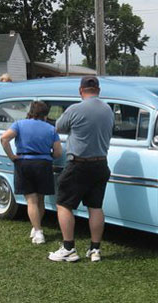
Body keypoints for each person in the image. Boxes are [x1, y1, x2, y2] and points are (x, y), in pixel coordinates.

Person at [48, 76, 114, 262]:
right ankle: (95, 250)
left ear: (80, 90)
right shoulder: (108, 109)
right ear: (98, 90)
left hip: (79, 163)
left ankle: (68, 248)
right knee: (95, 207)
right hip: (101, 163)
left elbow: (58, 127)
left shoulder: (75, 109)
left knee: (64, 204)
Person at [0, 101, 62, 244]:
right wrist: (48, 156)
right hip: (44, 164)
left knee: (31, 201)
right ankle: (36, 227)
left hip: (24, 162)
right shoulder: (51, 129)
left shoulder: (19, 124)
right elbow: (58, 152)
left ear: (31, 112)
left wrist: (12, 156)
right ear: (45, 114)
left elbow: (4, 139)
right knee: (40, 200)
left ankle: (38, 231)